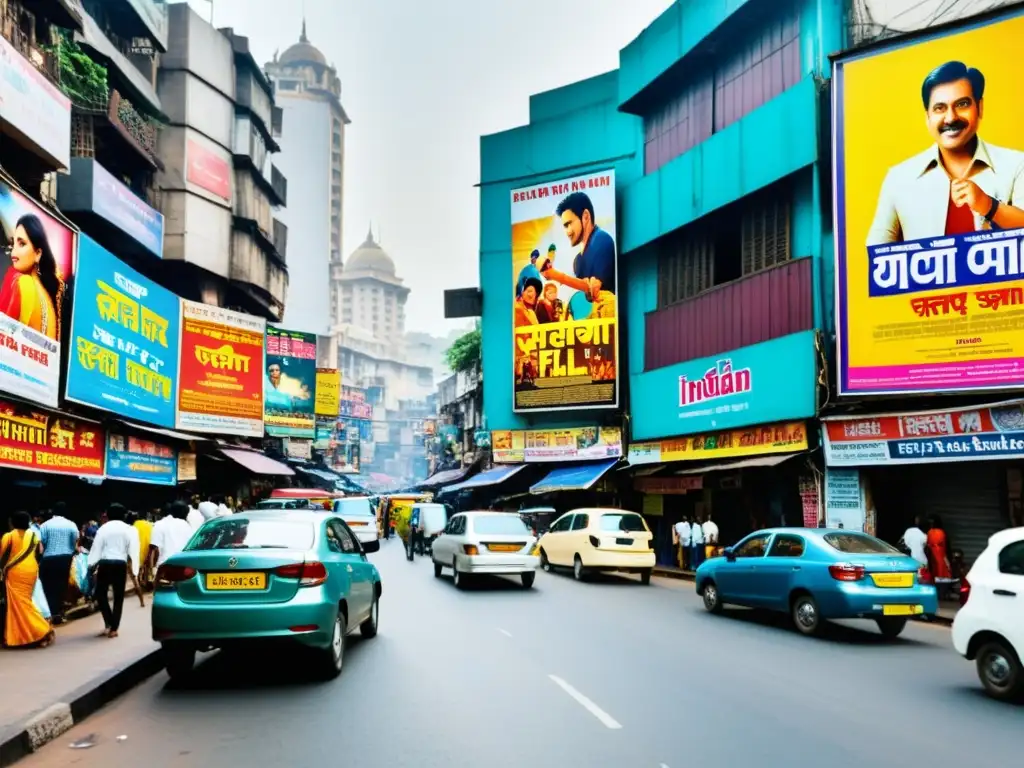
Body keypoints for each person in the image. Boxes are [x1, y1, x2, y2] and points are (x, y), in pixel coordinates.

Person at [868, 61, 1024, 245]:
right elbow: (877, 253)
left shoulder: (1016, 165)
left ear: (979, 107)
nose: (950, 117)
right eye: (939, 108)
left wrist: (989, 206)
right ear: (928, 117)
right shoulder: (899, 178)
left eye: (962, 104)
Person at [536, 191, 617, 318]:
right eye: (564, 226)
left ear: (585, 216)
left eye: (569, 224)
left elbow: (593, 290)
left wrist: (553, 274)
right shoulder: (578, 261)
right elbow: (586, 294)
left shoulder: (602, 240)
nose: (567, 232)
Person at [0, 213, 66, 340]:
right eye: (13, 243)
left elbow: (6, 338)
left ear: (38, 254)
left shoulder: (24, 282)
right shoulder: (48, 299)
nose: (14, 252)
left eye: (22, 244)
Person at [1, 511, 54, 648]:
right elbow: (39, 552)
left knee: (19, 605)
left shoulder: (8, 536)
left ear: (13, 522)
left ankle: (43, 630)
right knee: (25, 602)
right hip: (31, 570)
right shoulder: (33, 535)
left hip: (16, 572)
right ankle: (24, 635)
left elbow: (2, 556)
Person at [87, 504, 141, 639]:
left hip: (105, 564)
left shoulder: (103, 529)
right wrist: (135, 569)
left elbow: (96, 549)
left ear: (108, 515)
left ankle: (109, 623)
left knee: (100, 595)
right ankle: (113, 628)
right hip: (120, 564)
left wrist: (90, 565)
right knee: (118, 597)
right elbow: (134, 550)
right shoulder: (130, 529)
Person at [38, 503, 78, 624]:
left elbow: (41, 546)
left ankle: (50, 613)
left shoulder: (45, 525)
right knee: (61, 585)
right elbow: (75, 543)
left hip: (49, 559)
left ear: (53, 512)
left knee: (48, 586)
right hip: (65, 559)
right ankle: (58, 613)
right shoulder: (71, 524)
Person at [150, 501, 194, 571]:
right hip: (183, 567)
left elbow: (154, 549)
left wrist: (152, 568)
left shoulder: (160, 524)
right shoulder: (189, 527)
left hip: (164, 567)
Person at [926, 515, 953, 594]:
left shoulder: (930, 532)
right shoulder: (941, 532)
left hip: (934, 555)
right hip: (939, 555)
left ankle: (937, 590)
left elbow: (928, 544)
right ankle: (942, 591)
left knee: (936, 571)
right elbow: (947, 546)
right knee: (941, 571)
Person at [133, 510, 154, 589]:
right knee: (147, 567)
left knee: (138, 566)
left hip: (138, 547)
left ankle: (138, 581)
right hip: (148, 547)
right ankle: (146, 581)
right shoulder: (150, 525)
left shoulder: (135, 524)